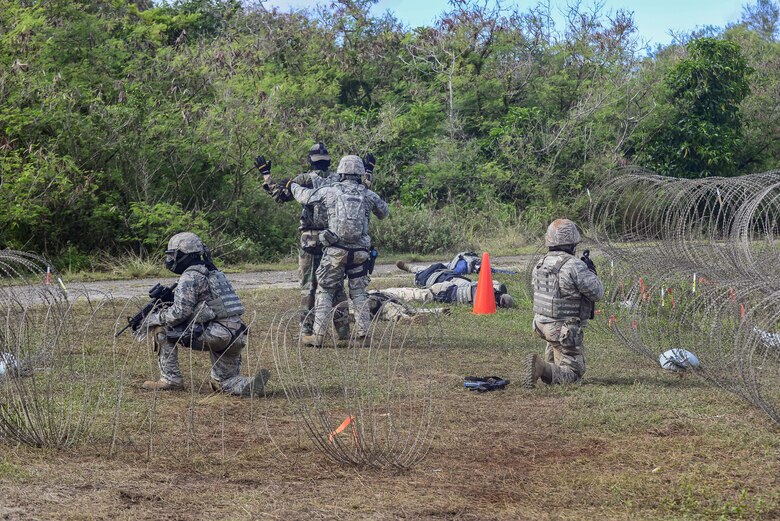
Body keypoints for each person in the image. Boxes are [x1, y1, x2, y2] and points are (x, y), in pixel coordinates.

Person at [140, 232, 270, 396]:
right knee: (222, 382)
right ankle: (247, 384)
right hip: (236, 334)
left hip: (216, 334)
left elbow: (179, 313)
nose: (171, 260)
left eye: (173, 255)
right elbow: (205, 302)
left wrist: (152, 318)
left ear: (184, 255)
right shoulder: (215, 272)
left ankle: (170, 380)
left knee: (161, 329)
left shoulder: (190, 276)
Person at [290, 155, 389, 346]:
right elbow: (384, 212)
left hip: (336, 251)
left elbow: (305, 197)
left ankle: (318, 336)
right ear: (360, 173)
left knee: (325, 290)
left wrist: (292, 185)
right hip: (360, 252)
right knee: (359, 293)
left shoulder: (331, 191)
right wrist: (368, 187)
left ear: (341, 172)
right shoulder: (367, 194)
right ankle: (364, 336)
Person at [524, 219, 604, 387]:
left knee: (557, 349)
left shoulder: (540, 263)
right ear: (572, 244)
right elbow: (597, 293)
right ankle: (541, 367)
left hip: (541, 324)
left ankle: (549, 365)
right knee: (573, 375)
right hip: (562, 329)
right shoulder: (574, 265)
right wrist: (590, 272)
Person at [394, 261, 515, 308]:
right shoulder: (486, 291)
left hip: (450, 288)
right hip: (456, 283)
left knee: (422, 287)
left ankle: (390, 291)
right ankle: (409, 268)